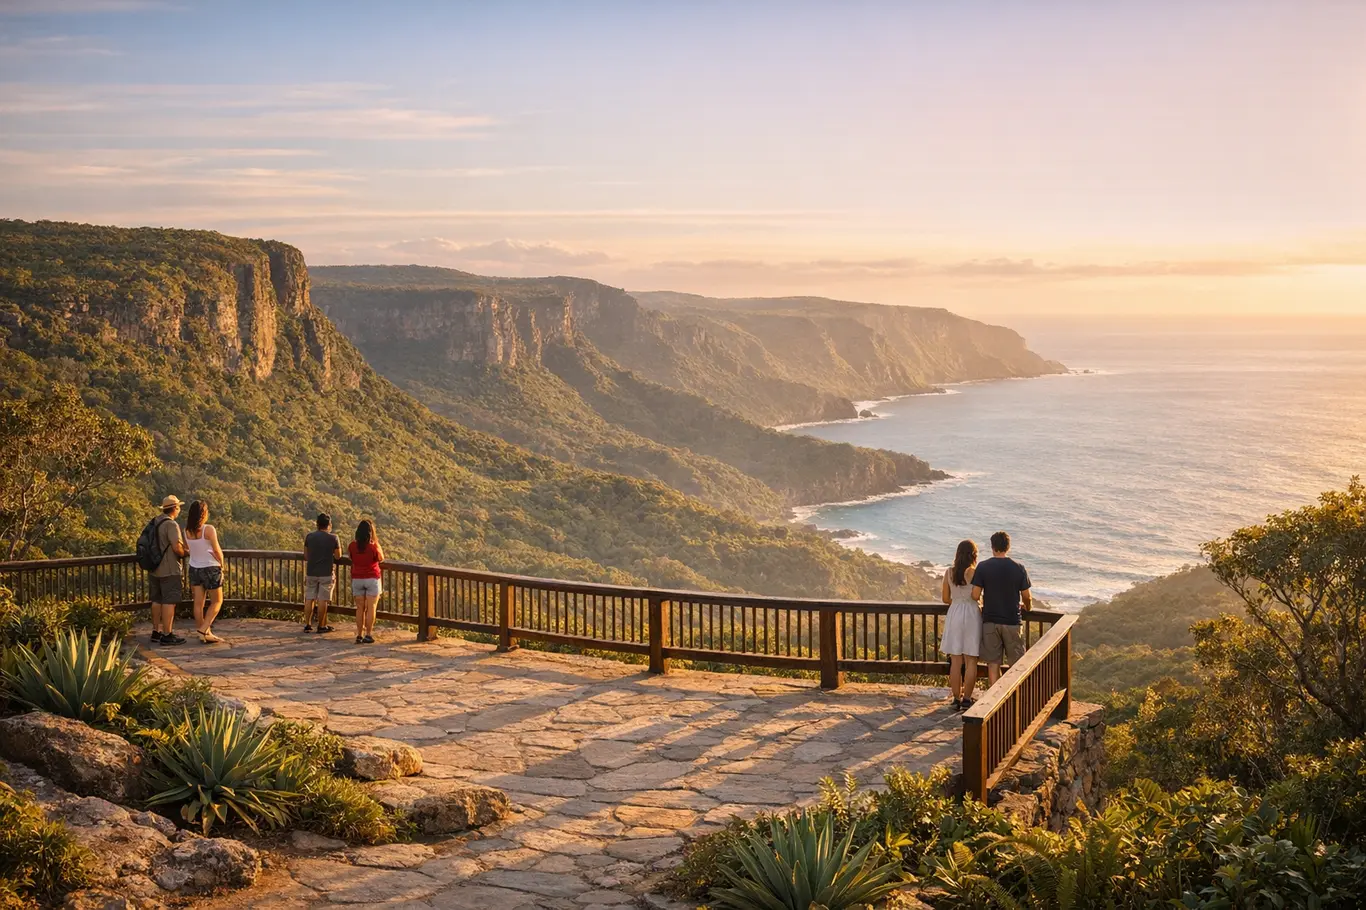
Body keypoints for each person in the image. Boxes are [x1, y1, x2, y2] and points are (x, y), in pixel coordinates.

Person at [971, 530, 1033, 685]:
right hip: (1012, 620)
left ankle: (994, 701)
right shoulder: (1019, 568)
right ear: (1008, 547)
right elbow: (1027, 596)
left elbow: (974, 594)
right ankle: (1015, 699)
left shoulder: (983, 567)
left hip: (990, 620)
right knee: (1016, 664)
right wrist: (1028, 607)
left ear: (992, 547)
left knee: (993, 664)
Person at [939, 539, 983, 710]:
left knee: (956, 660)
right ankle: (967, 699)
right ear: (973, 555)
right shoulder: (975, 572)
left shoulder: (949, 572)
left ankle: (956, 698)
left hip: (955, 612)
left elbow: (944, 599)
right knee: (971, 659)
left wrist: (957, 600)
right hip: (972, 613)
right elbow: (977, 596)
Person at [148, 495, 189, 645]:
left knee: (157, 600)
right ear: (175, 508)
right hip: (169, 568)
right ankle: (167, 634)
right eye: (179, 508)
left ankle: (156, 631)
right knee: (169, 601)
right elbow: (176, 547)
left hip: (154, 568)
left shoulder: (155, 521)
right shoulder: (171, 525)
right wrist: (185, 553)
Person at [184, 500, 225, 644]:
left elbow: (190, 549)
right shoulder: (209, 529)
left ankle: (203, 632)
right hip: (210, 567)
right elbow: (217, 550)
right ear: (204, 514)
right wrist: (222, 565)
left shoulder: (187, 531)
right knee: (217, 601)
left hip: (194, 568)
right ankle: (204, 629)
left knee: (198, 603)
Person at [303, 513, 341, 634]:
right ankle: (321, 625)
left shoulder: (309, 537)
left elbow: (306, 555)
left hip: (311, 571)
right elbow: (338, 556)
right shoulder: (334, 538)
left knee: (309, 598)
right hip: (326, 573)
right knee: (323, 600)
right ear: (329, 525)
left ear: (317, 524)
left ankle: (308, 624)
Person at [348, 519, 384, 644]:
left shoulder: (352, 545)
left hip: (357, 578)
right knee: (371, 607)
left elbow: (351, 557)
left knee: (359, 609)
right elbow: (381, 558)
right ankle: (368, 634)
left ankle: (359, 635)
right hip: (372, 578)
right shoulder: (373, 546)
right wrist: (376, 543)